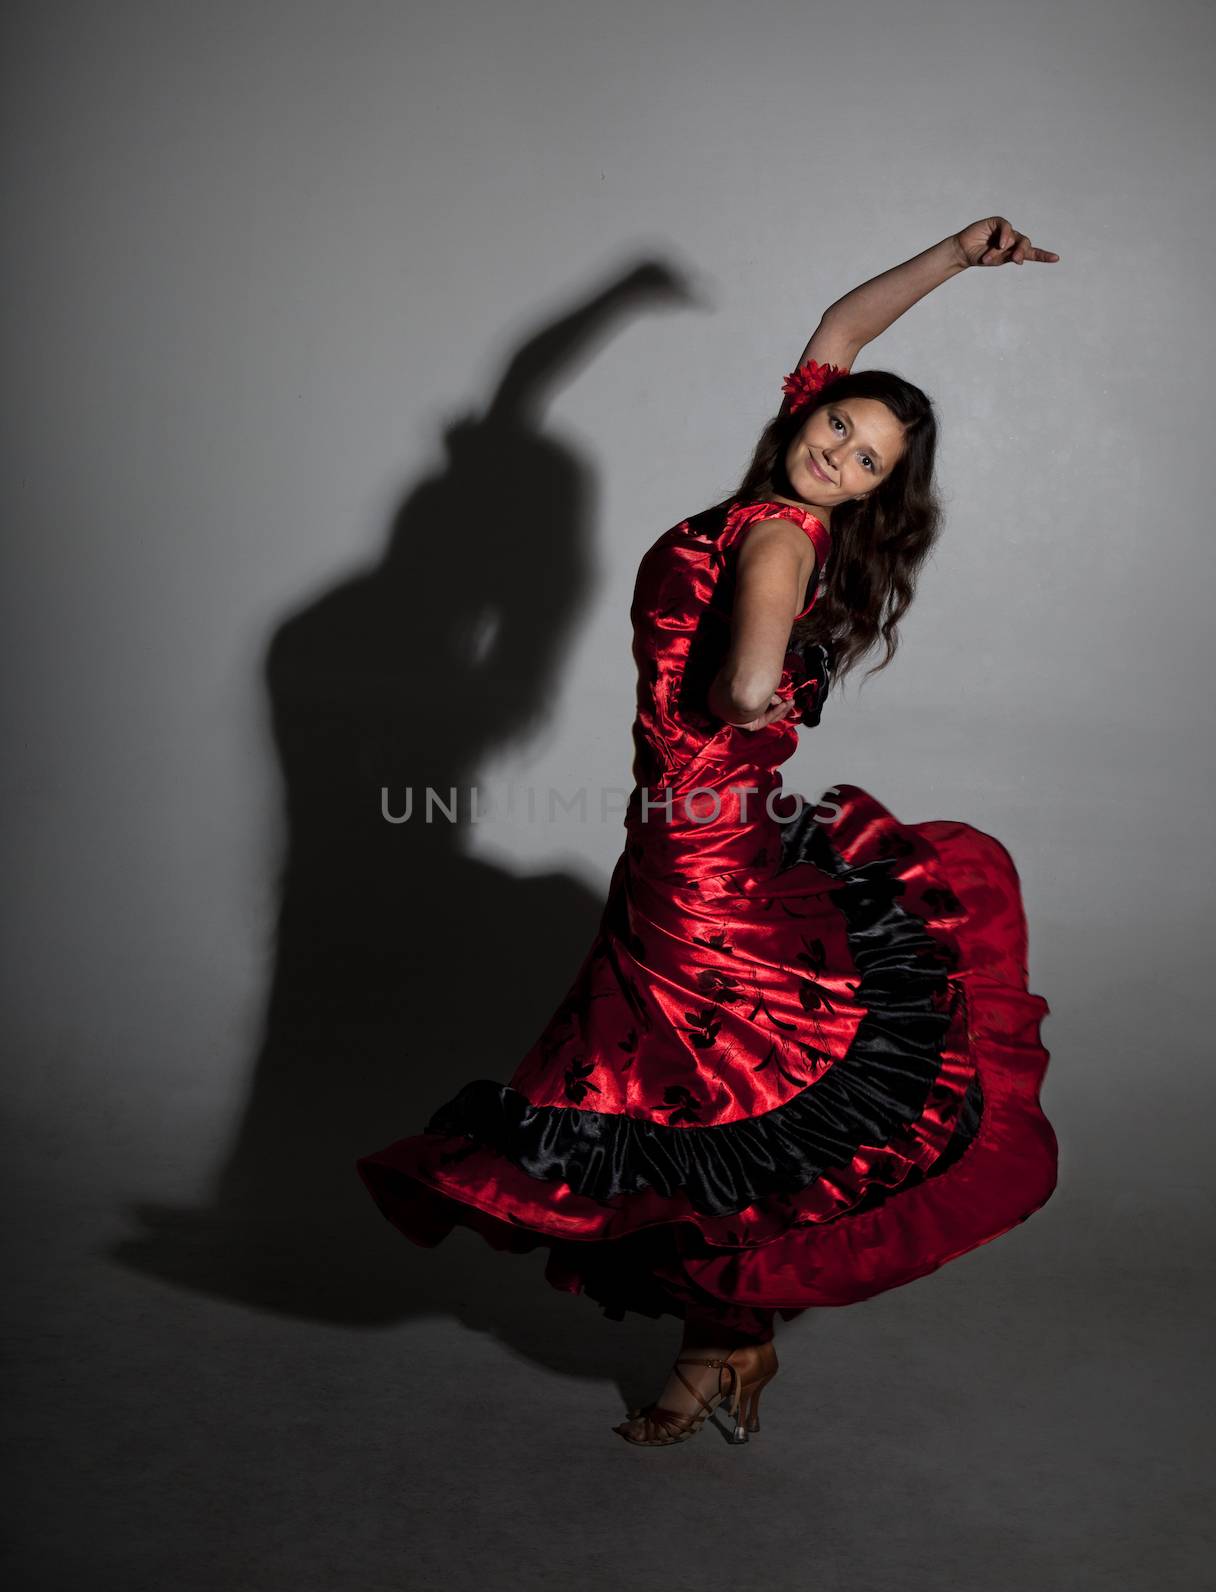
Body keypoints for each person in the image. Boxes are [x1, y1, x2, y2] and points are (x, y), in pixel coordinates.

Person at [357, 216, 1062, 1448]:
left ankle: (728, 1341)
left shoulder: (779, 537)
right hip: (689, 831)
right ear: (809, 416)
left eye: (865, 460)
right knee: (696, 1091)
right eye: (838, 423)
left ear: (872, 495)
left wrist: (765, 688)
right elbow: (843, 331)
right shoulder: (780, 494)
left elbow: (742, 691)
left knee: (700, 1097)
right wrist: (951, 257)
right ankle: (726, 1347)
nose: (838, 448)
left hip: (696, 847)